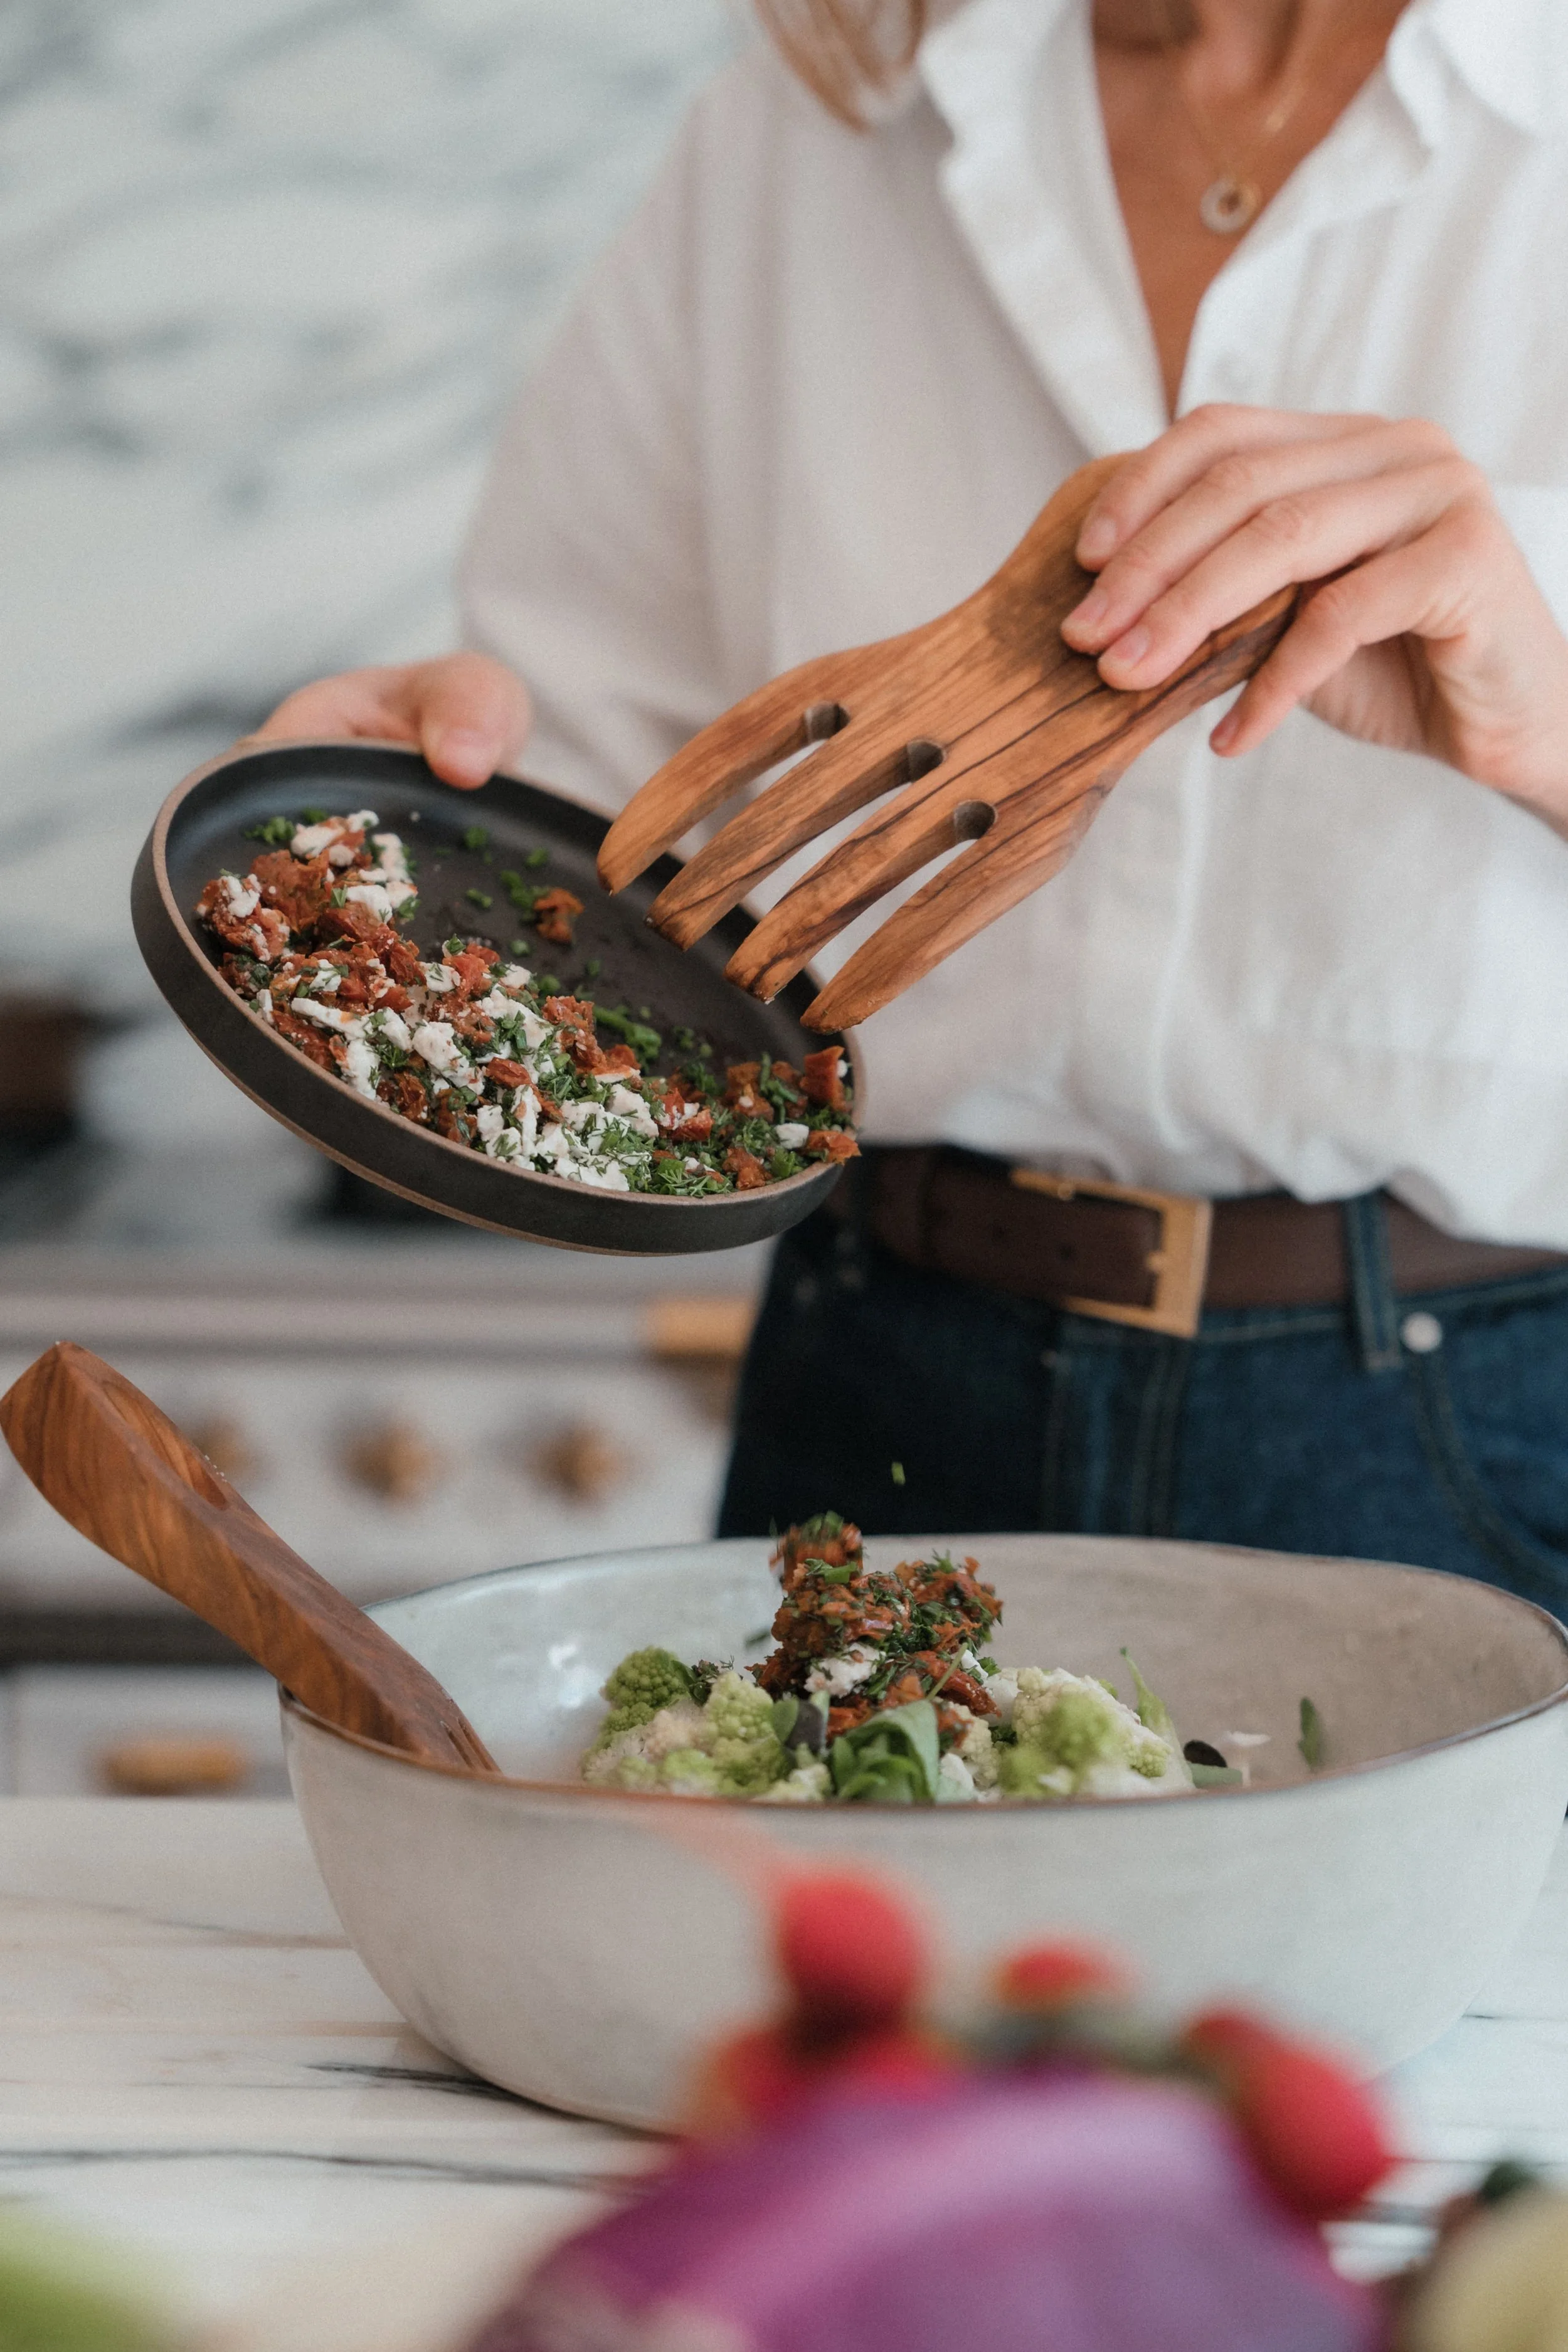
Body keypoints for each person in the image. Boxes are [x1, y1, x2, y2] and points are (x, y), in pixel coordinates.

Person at [250, 0, 1568, 1607]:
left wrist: (1546, 723)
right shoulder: (809, 128)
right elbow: (612, 889)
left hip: (1469, 1423)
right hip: (879, 1366)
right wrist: (393, 864)